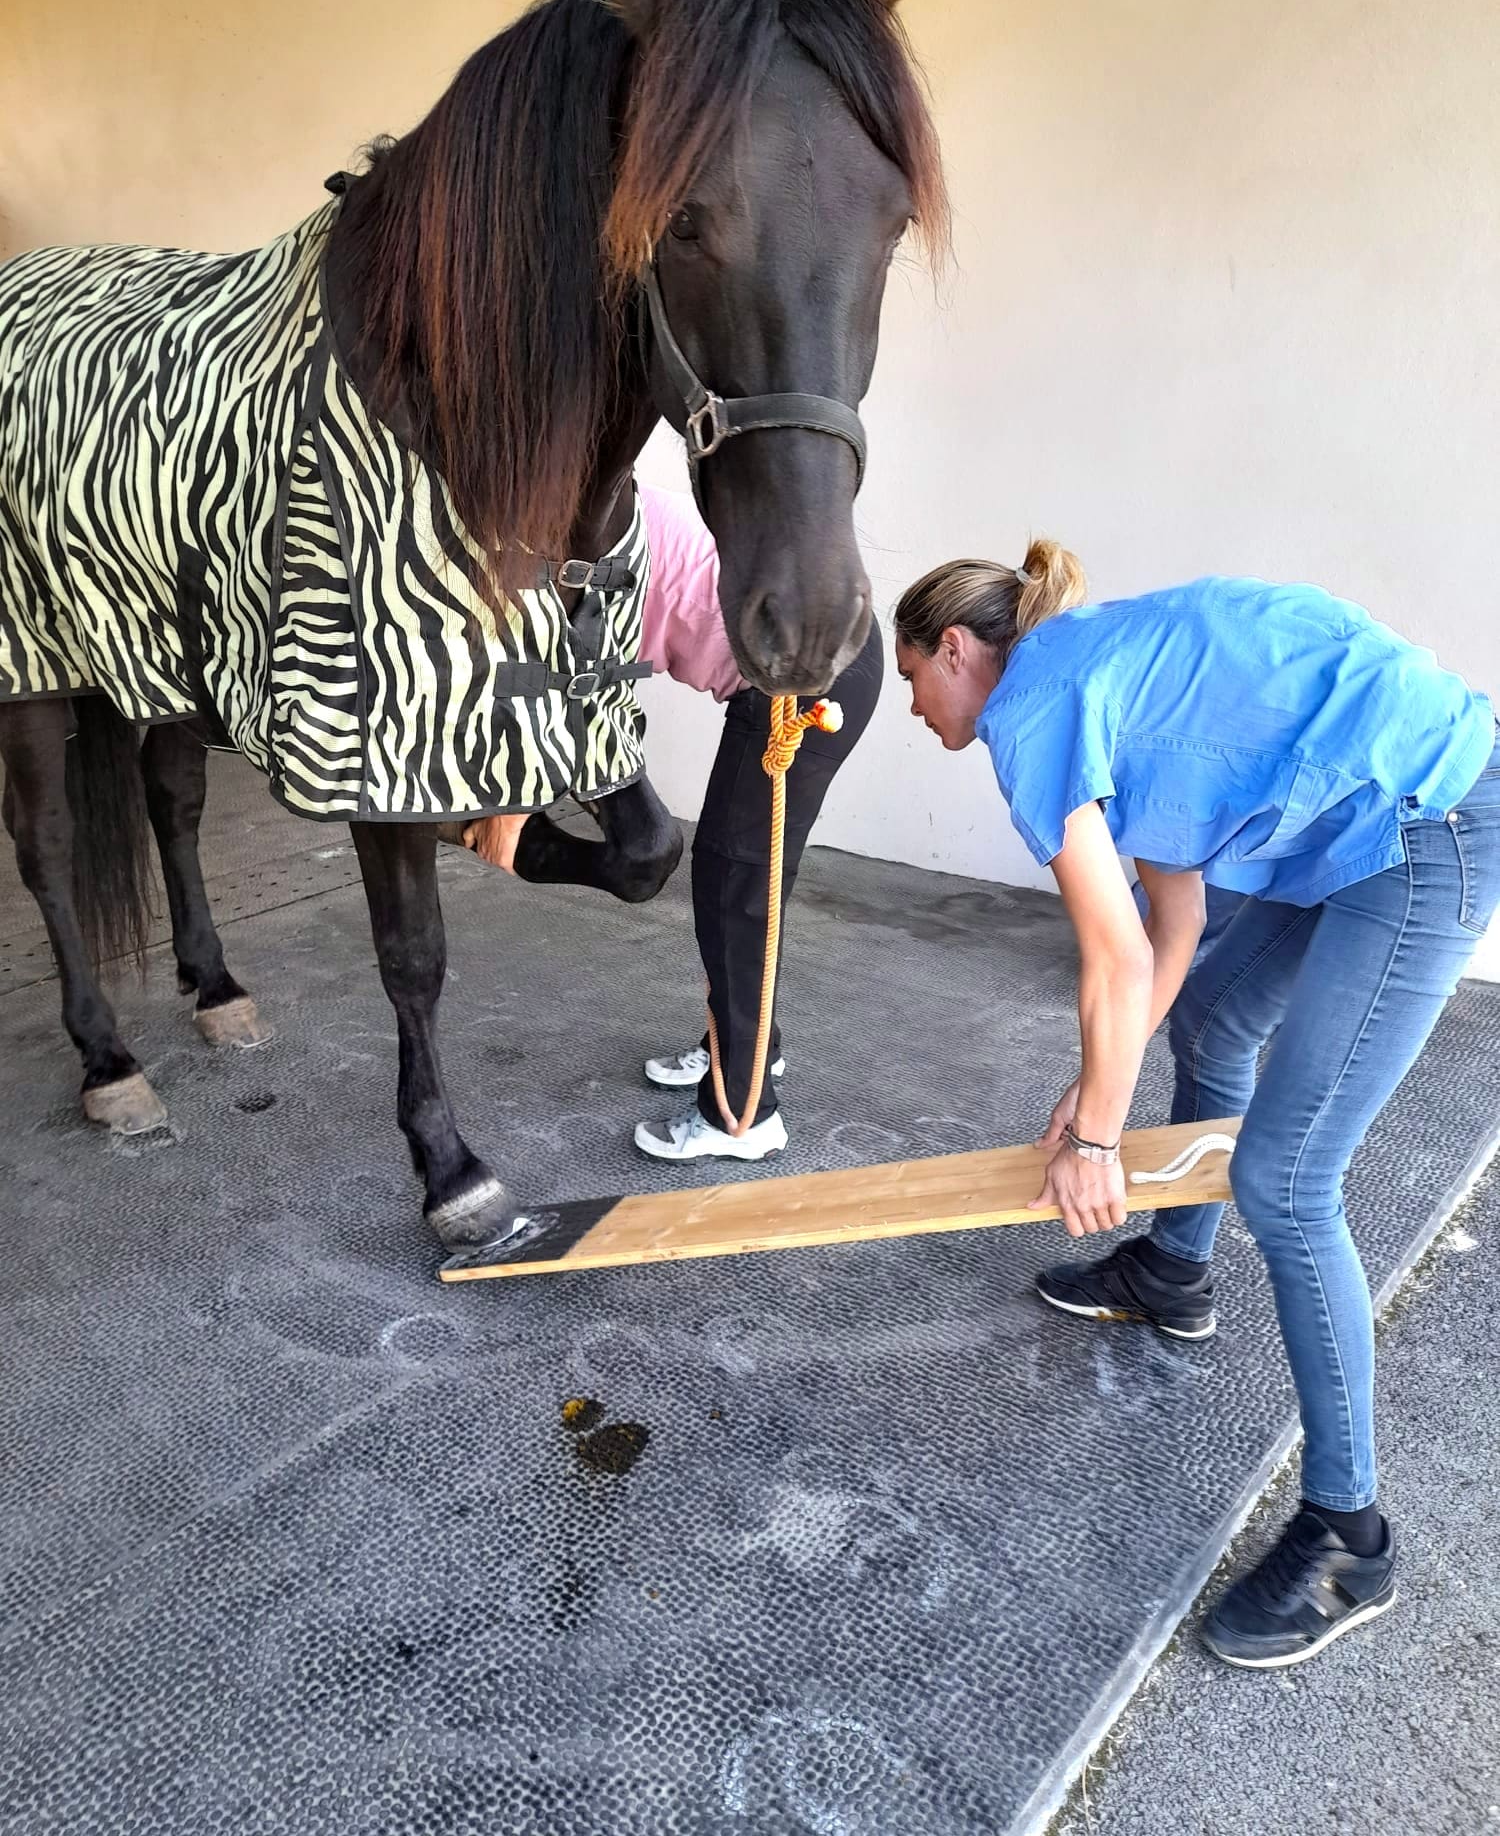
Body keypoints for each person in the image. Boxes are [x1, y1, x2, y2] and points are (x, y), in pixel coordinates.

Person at [893, 540, 1499, 1670]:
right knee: (1215, 1022)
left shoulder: (1033, 712)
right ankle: (1174, 1270)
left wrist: (1096, 1139)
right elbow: (1170, 931)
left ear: (958, 650)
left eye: (911, 677)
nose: (915, 708)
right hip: (1370, 820)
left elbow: (1114, 958)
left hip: (1429, 822)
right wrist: (1098, 1084)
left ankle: (1351, 1538)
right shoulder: (1093, 680)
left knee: (1287, 1177)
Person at [467, 482, 882, 1161]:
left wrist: (509, 810)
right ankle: (745, 1054)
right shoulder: (594, 516)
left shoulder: (573, 540)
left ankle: (742, 1116)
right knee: (745, 889)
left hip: (806, 677)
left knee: (735, 891)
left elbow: (562, 691)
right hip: (810, 662)